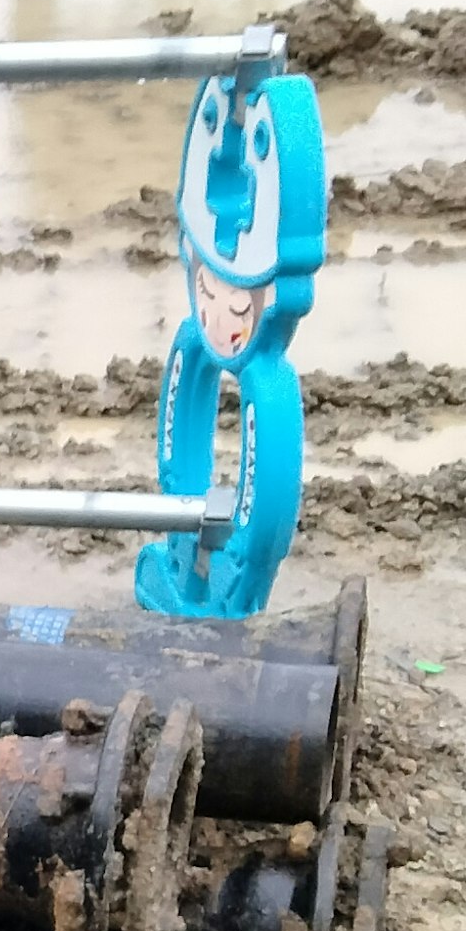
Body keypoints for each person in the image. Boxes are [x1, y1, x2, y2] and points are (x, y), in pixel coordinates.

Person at [137, 69, 324, 620]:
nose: (227, 310)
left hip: (245, 556)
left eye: (243, 307)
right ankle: (184, 559)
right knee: (197, 351)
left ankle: (233, 580)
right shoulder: (197, 329)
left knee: (258, 392)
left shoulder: (266, 372)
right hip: (208, 337)